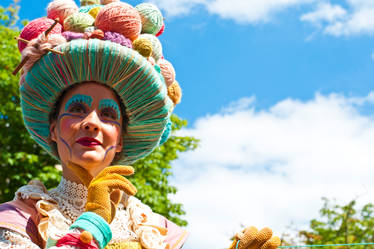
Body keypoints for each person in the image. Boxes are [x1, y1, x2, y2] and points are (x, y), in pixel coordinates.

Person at [0, 0, 281, 249]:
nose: (92, 123)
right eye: (77, 109)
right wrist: (94, 222)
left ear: (120, 138)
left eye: (109, 115)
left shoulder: (159, 232)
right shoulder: (19, 218)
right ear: (53, 128)